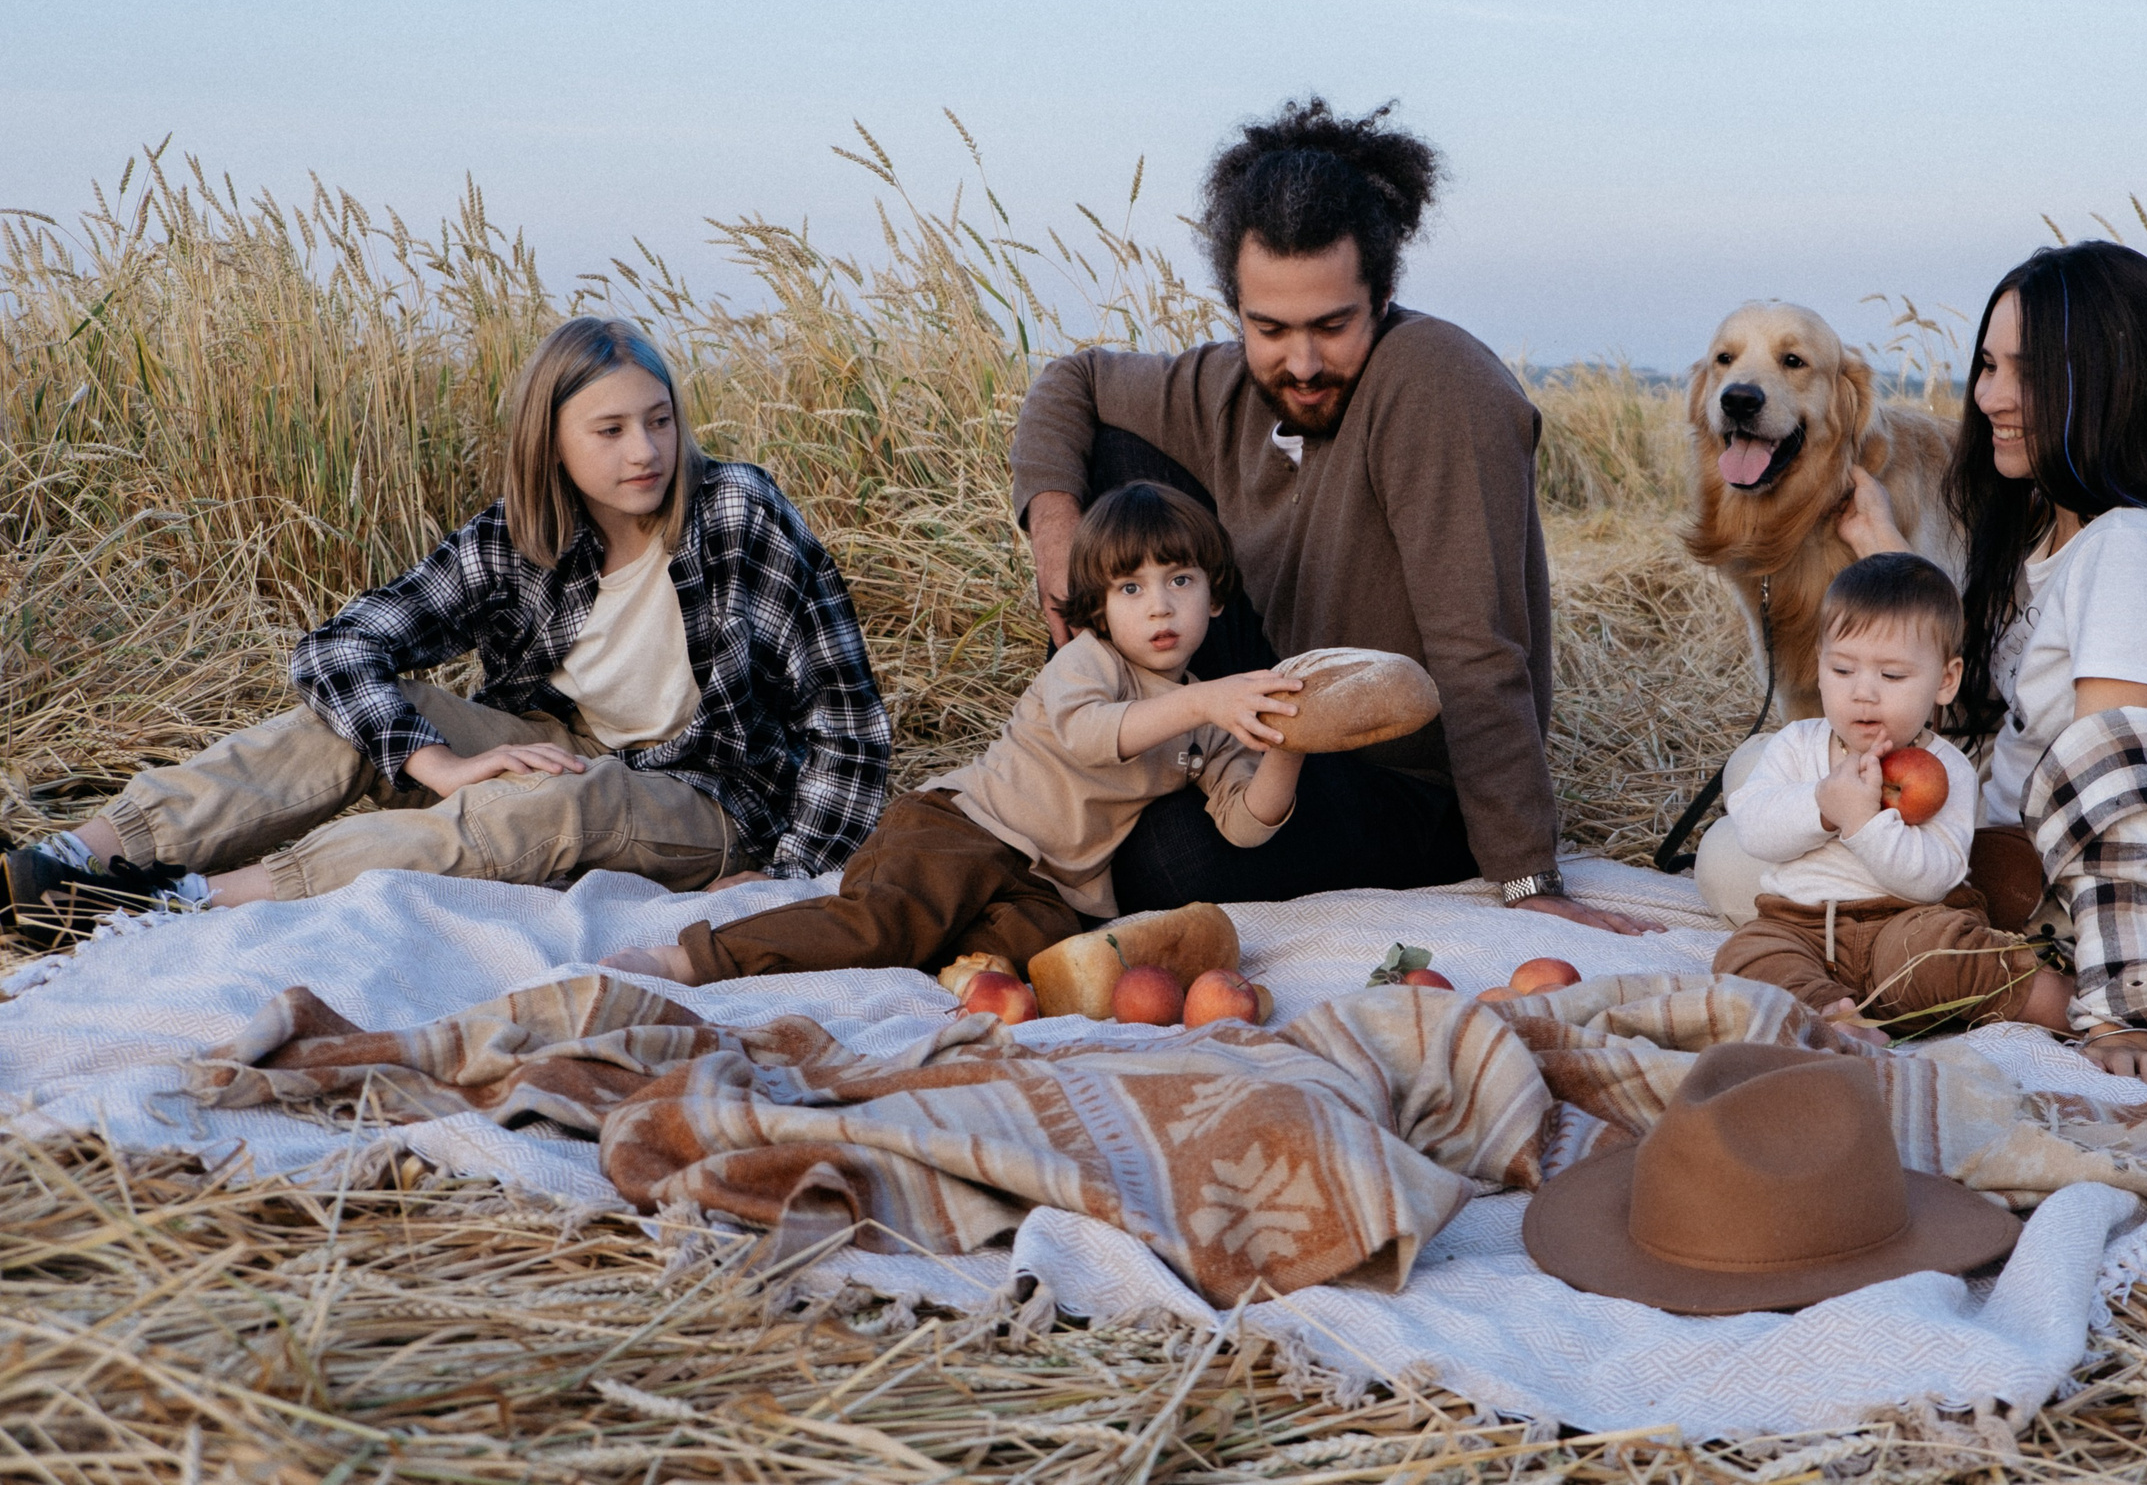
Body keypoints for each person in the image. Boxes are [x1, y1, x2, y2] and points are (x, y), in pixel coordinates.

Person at [0, 318, 893, 942]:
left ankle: (182, 905)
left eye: (658, 421)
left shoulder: (737, 511)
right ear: (551, 443)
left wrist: (788, 876)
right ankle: (75, 857)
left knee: (551, 802)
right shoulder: (519, 536)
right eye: (611, 429)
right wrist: (438, 760)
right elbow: (337, 651)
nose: (644, 452)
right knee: (358, 716)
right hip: (561, 743)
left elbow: (847, 720)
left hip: (710, 795)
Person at [1009, 98, 1658, 936]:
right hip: (1267, 710)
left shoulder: (1436, 388)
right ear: (1236, 305)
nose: (1303, 362)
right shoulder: (1228, 385)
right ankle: (1096, 758)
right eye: (1269, 326)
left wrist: (1530, 879)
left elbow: (1478, 644)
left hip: (1401, 775)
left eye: (1333, 325)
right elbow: (1075, 382)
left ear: (1383, 295)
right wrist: (1056, 537)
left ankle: (1136, 797)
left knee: (1161, 863)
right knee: (1119, 465)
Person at [1823, 241, 2147, 1083]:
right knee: (1759, 817)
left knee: (1871, 941)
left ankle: (2051, 993)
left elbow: (2112, 784)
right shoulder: (2066, 533)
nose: (1989, 396)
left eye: (2026, 373)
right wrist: (1880, 544)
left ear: (2110, 380)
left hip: (2069, 896)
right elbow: (1992, 710)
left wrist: (2117, 1019)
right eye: (1986, 366)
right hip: (2007, 852)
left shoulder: (2131, 549)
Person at [604, 482, 1306, 984]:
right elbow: (1095, 736)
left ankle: (867, 939)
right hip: (963, 826)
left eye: (1179, 580)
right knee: (883, 925)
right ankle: (691, 956)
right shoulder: (1087, 662)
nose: (1159, 605)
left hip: (1050, 887)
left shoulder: (1210, 716)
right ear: (1098, 608)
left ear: (1213, 596)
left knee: (1033, 959)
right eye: (1131, 588)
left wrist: (1290, 745)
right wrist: (1212, 700)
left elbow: (1247, 823)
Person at [1716, 554, 2070, 1043]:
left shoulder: (1947, 770)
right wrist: (1822, 804)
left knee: (1944, 952)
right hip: (1802, 926)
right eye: (1842, 670)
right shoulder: (1797, 745)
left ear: (1945, 681)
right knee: (1744, 953)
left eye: (1892, 677)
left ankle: (2056, 1001)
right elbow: (1754, 828)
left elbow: (1934, 879)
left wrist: (1864, 824)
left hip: (1904, 927)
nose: (1864, 693)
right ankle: (1830, 1011)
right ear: (1819, 667)